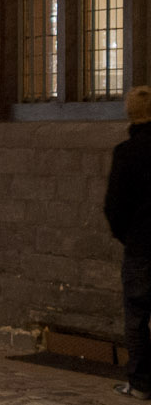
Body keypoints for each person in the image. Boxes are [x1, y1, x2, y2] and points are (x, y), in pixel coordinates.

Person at [105, 86, 151, 399]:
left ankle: (140, 383)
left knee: (136, 316)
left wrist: (129, 236)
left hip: (140, 247)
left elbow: (114, 207)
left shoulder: (125, 152)